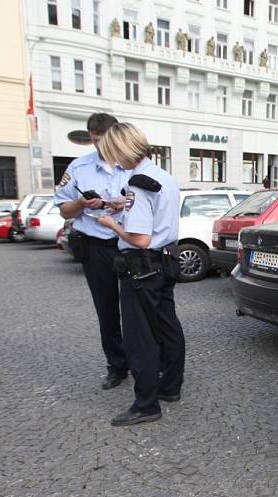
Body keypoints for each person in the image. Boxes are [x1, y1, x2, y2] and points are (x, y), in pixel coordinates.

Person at [96, 123, 186, 426]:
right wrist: (122, 204)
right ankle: (170, 387)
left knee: (140, 337)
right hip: (165, 262)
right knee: (168, 326)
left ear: (123, 149)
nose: (111, 160)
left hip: (142, 265)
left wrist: (113, 225)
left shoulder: (137, 183)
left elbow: (140, 239)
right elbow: (157, 207)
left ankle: (146, 404)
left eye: (111, 153)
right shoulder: (164, 177)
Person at [54, 113, 130, 390]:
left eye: (104, 140)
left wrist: (122, 204)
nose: (99, 146)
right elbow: (64, 209)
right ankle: (117, 365)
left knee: (138, 307)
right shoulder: (78, 167)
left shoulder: (131, 162)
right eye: (95, 140)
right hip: (96, 247)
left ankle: (146, 359)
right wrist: (82, 204)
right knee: (106, 309)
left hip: (130, 245)